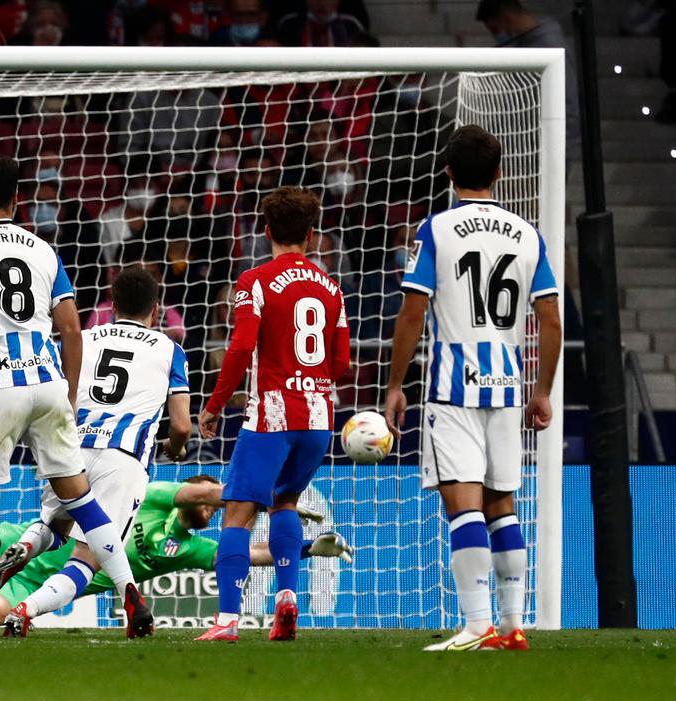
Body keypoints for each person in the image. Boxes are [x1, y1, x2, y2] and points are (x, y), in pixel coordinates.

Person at [0, 155, 152, 640]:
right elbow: (71, 327)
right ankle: (128, 588)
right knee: (82, 498)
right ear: (18, 199)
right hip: (49, 381)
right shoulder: (44, 250)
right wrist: (68, 395)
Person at [385, 125, 561, 652]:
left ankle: (478, 623)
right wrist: (543, 390)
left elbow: (413, 310)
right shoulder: (528, 234)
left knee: (462, 505)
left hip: (451, 386)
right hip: (508, 386)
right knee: (501, 506)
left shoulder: (436, 229)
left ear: (449, 174)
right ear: (500, 173)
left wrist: (396, 383)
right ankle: (511, 626)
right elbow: (550, 319)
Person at [0, 476, 355, 627]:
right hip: (33, 543)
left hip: (41, 584)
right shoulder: (150, 498)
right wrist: (260, 493)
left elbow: (248, 555)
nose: (209, 511)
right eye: (207, 503)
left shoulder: (188, 547)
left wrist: (304, 548)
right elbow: (204, 491)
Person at [0, 265, 191, 637]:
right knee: (87, 558)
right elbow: (181, 425)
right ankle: (24, 610)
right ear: (156, 309)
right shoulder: (169, 349)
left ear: (112, 306)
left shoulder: (85, 337)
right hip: (121, 458)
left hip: (70, 448)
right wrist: (175, 449)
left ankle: (26, 547)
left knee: (55, 523)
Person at [195, 186, 350, 643]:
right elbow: (340, 361)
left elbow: (242, 345)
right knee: (285, 502)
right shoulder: (331, 287)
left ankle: (226, 621)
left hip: (272, 416)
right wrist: (312, 379)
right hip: (319, 416)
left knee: (237, 513)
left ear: (266, 232)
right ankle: (287, 598)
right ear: (310, 233)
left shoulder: (255, 282)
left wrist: (215, 404)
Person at [475, 0, 581, 151]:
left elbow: (568, 104)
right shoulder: (526, 47)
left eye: (495, 30)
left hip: (547, 151)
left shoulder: (549, 47)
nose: (496, 36)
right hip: (527, 151)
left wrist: (559, 151)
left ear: (506, 18)